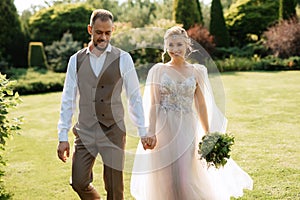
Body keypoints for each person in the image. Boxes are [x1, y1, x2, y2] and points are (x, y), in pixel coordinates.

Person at [130, 26, 253, 200]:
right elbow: (153, 104)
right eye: (170, 45)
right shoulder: (158, 70)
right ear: (165, 47)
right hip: (163, 129)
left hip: (187, 128)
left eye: (179, 44)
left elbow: (201, 104)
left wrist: (208, 133)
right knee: (166, 179)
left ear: (187, 45)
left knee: (184, 177)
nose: (174, 49)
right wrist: (150, 131)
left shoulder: (196, 71)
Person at [56, 9, 156, 200]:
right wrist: (62, 136)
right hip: (85, 130)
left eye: (107, 33)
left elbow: (134, 97)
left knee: (115, 187)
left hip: (113, 131)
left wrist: (143, 131)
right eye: (99, 32)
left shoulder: (123, 58)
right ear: (90, 29)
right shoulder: (75, 60)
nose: (103, 37)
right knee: (79, 182)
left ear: (113, 30)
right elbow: (68, 98)